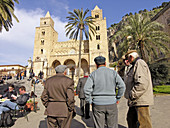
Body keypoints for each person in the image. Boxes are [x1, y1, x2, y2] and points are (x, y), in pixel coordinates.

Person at [84, 56, 125, 128]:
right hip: (111, 103)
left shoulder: (93, 74)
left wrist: (90, 101)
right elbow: (122, 86)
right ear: (105, 63)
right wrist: (118, 98)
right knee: (112, 125)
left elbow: (86, 89)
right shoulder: (113, 73)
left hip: (98, 104)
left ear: (96, 65)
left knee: (99, 126)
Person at [124, 50, 154, 128]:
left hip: (140, 100)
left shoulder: (139, 63)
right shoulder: (133, 66)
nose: (126, 61)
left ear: (131, 57)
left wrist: (132, 94)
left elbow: (142, 83)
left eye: (127, 58)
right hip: (135, 101)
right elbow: (128, 80)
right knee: (130, 119)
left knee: (144, 123)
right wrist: (127, 66)